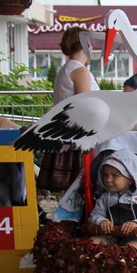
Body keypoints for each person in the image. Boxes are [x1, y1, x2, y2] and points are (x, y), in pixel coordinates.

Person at [36, 26, 100, 192]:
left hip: (63, 135)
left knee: (69, 192)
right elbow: (86, 106)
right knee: (80, 189)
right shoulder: (80, 71)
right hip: (77, 139)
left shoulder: (66, 69)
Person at [87, 149, 137, 249]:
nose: (108, 180)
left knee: (132, 247)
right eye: (106, 175)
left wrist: (136, 223)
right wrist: (101, 221)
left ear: (131, 179)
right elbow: (94, 216)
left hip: (134, 236)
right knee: (93, 242)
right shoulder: (105, 197)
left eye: (114, 176)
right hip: (110, 234)